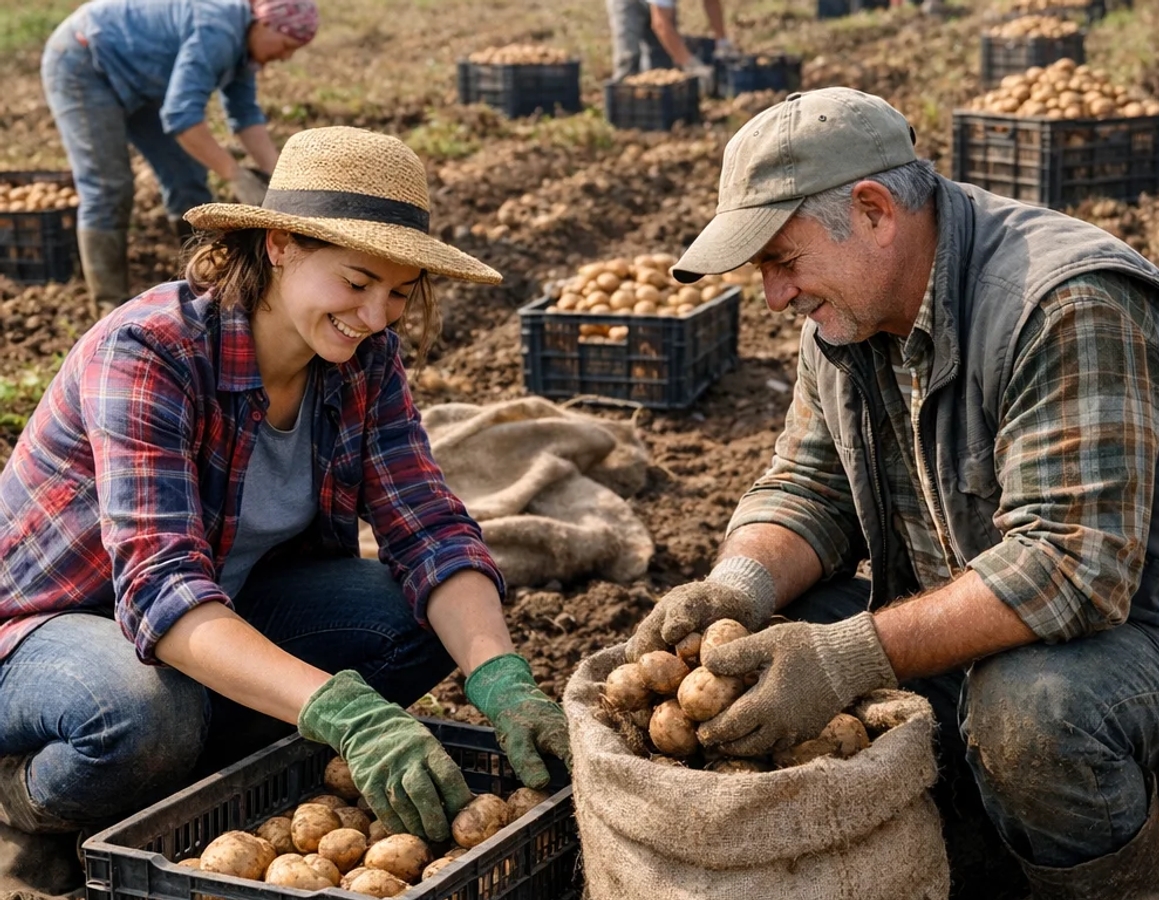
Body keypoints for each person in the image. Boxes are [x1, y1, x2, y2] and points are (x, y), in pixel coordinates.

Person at [625, 86, 1159, 898]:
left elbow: (1071, 569)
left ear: (871, 210)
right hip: (1001, 635)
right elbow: (809, 486)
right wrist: (736, 588)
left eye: (782, 263)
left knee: (1033, 712)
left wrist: (847, 657)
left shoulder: (1064, 305)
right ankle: (981, 863)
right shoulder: (845, 320)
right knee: (771, 641)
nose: (774, 297)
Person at [0, 125, 571, 897]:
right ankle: (27, 802)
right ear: (279, 246)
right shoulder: (149, 352)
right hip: (49, 634)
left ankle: (193, 783)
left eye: (399, 292)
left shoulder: (365, 361)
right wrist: (343, 711)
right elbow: (160, 589)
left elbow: (427, 522)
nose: (375, 314)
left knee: (415, 620)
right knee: (140, 714)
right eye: (358, 280)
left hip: (217, 616)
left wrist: (500, 677)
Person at [40, 0, 320, 314]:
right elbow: (181, 116)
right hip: (85, 60)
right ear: (265, 23)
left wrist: (280, 178)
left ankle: (205, 289)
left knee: (187, 179)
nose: (285, 57)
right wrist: (235, 175)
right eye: (286, 46)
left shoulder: (245, 48)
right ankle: (109, 306)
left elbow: (244, 115)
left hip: (144, 80)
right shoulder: (218, 29)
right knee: (108, 187)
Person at [605, 0, 732, 91]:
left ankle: (652, 106)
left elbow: (711, 2)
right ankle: (624, 107)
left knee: (662, 66)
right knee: (629, 57)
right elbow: (660, 24)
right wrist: (691, 64)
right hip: (626, 3)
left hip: (660, 6)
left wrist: (722, 42)